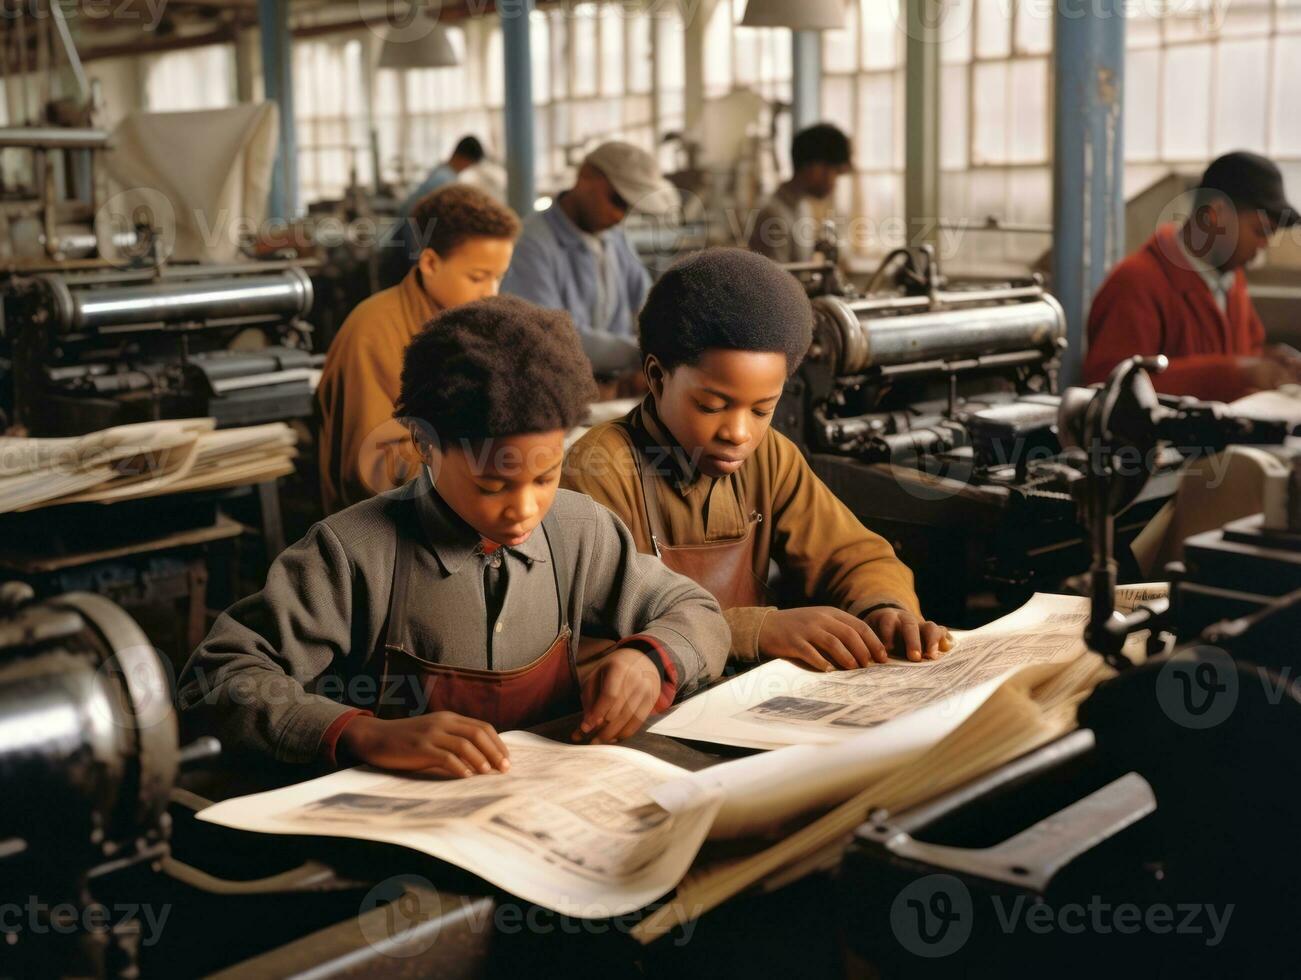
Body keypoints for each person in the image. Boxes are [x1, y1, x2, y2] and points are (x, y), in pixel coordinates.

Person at [179, 296, 729, 774]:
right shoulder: (353, 553)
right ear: (424, 444)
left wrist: (653, 658)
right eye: (493, 484)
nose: (524, 509)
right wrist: (361, 733)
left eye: (546, 476)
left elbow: (697, 611)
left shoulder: (579, 531)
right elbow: (217, 675)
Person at [562, 248, 951, 670]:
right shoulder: (598, 471)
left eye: (762, 410)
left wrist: (884, 608)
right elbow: (591, 639)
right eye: (712, 406)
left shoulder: (770, 458)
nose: (738, 433)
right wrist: (756, 630)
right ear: (657, 377)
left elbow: (855, 556)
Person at [317, 184, 519, 515]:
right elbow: (374, 471)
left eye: (499, 277)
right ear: (429, 263)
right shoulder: (373, 332)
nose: (491, 293)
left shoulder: (477, 325)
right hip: (393, 532)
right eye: (478, 277)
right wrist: (485, 464)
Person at [1085, 150, 1301, 402]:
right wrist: (1238, 373)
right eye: (1259, 230)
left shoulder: (1231, 279)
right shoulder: (1135, 283)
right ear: (1215, 215)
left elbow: (1245, 350)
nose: (1264, 245)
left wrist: (1271, 361)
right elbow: (1109, 388)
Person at [501, 141, 677, 382]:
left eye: (628, 208)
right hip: (555, 391)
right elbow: (548, 337)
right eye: (616, 200)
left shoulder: (615, 239)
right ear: (586, 175)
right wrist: (640, 352)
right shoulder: (530, 244)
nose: (619, 216)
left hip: (608, 387)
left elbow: (650, 303)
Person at [379, 135, 487, 288]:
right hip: (413, 245)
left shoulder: (440, 172)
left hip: (407, 242)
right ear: (466, 160)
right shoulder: (444, 182)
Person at [748, 123, 853, 264]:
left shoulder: (802, 206)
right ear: (813, 167)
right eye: (834, 171)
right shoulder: (774, 215)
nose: (834, 183)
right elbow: (774, 283)